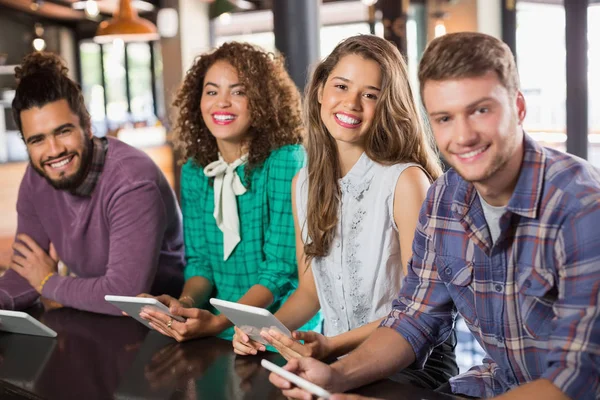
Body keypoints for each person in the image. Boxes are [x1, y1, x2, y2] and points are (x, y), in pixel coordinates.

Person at [269, 31, 600, 400]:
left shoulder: (582, 206)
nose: (463, 136)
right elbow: (414, 319)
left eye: (481, 110)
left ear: (519, 108)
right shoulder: (445, 198)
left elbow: (578, 377)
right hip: (492, 385)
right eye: (444, 118)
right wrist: (335, 377)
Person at [232, 35, 457, 389]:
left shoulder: (406, 181)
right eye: (341, 86)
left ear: (387, 105)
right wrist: (263, 331)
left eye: (370, 94)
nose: (351, 103)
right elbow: (310, 292)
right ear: (320, 90)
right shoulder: (302, 183)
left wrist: (331, 347)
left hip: (410, 365)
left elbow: (418, 312)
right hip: (334, 358)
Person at [138, 42, 321, 342]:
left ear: (262, 101)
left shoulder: (286, 161)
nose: (221, 102)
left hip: (280, 333)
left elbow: (278, 272)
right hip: (218, 332)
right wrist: (184, 308)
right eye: (212, 92)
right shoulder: (196, 171)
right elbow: (200, 265)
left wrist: (220, 322)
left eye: (238, 92)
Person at [0, 52, 185, 315]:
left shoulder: (132, 182)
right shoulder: (36, 178)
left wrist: (48, 282)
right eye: (37, 140)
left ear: (87, 126)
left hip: (164, 325)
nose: (53, 151)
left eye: (63, 131)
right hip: (94, 317)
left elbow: (126, 295)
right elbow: (24, 272)